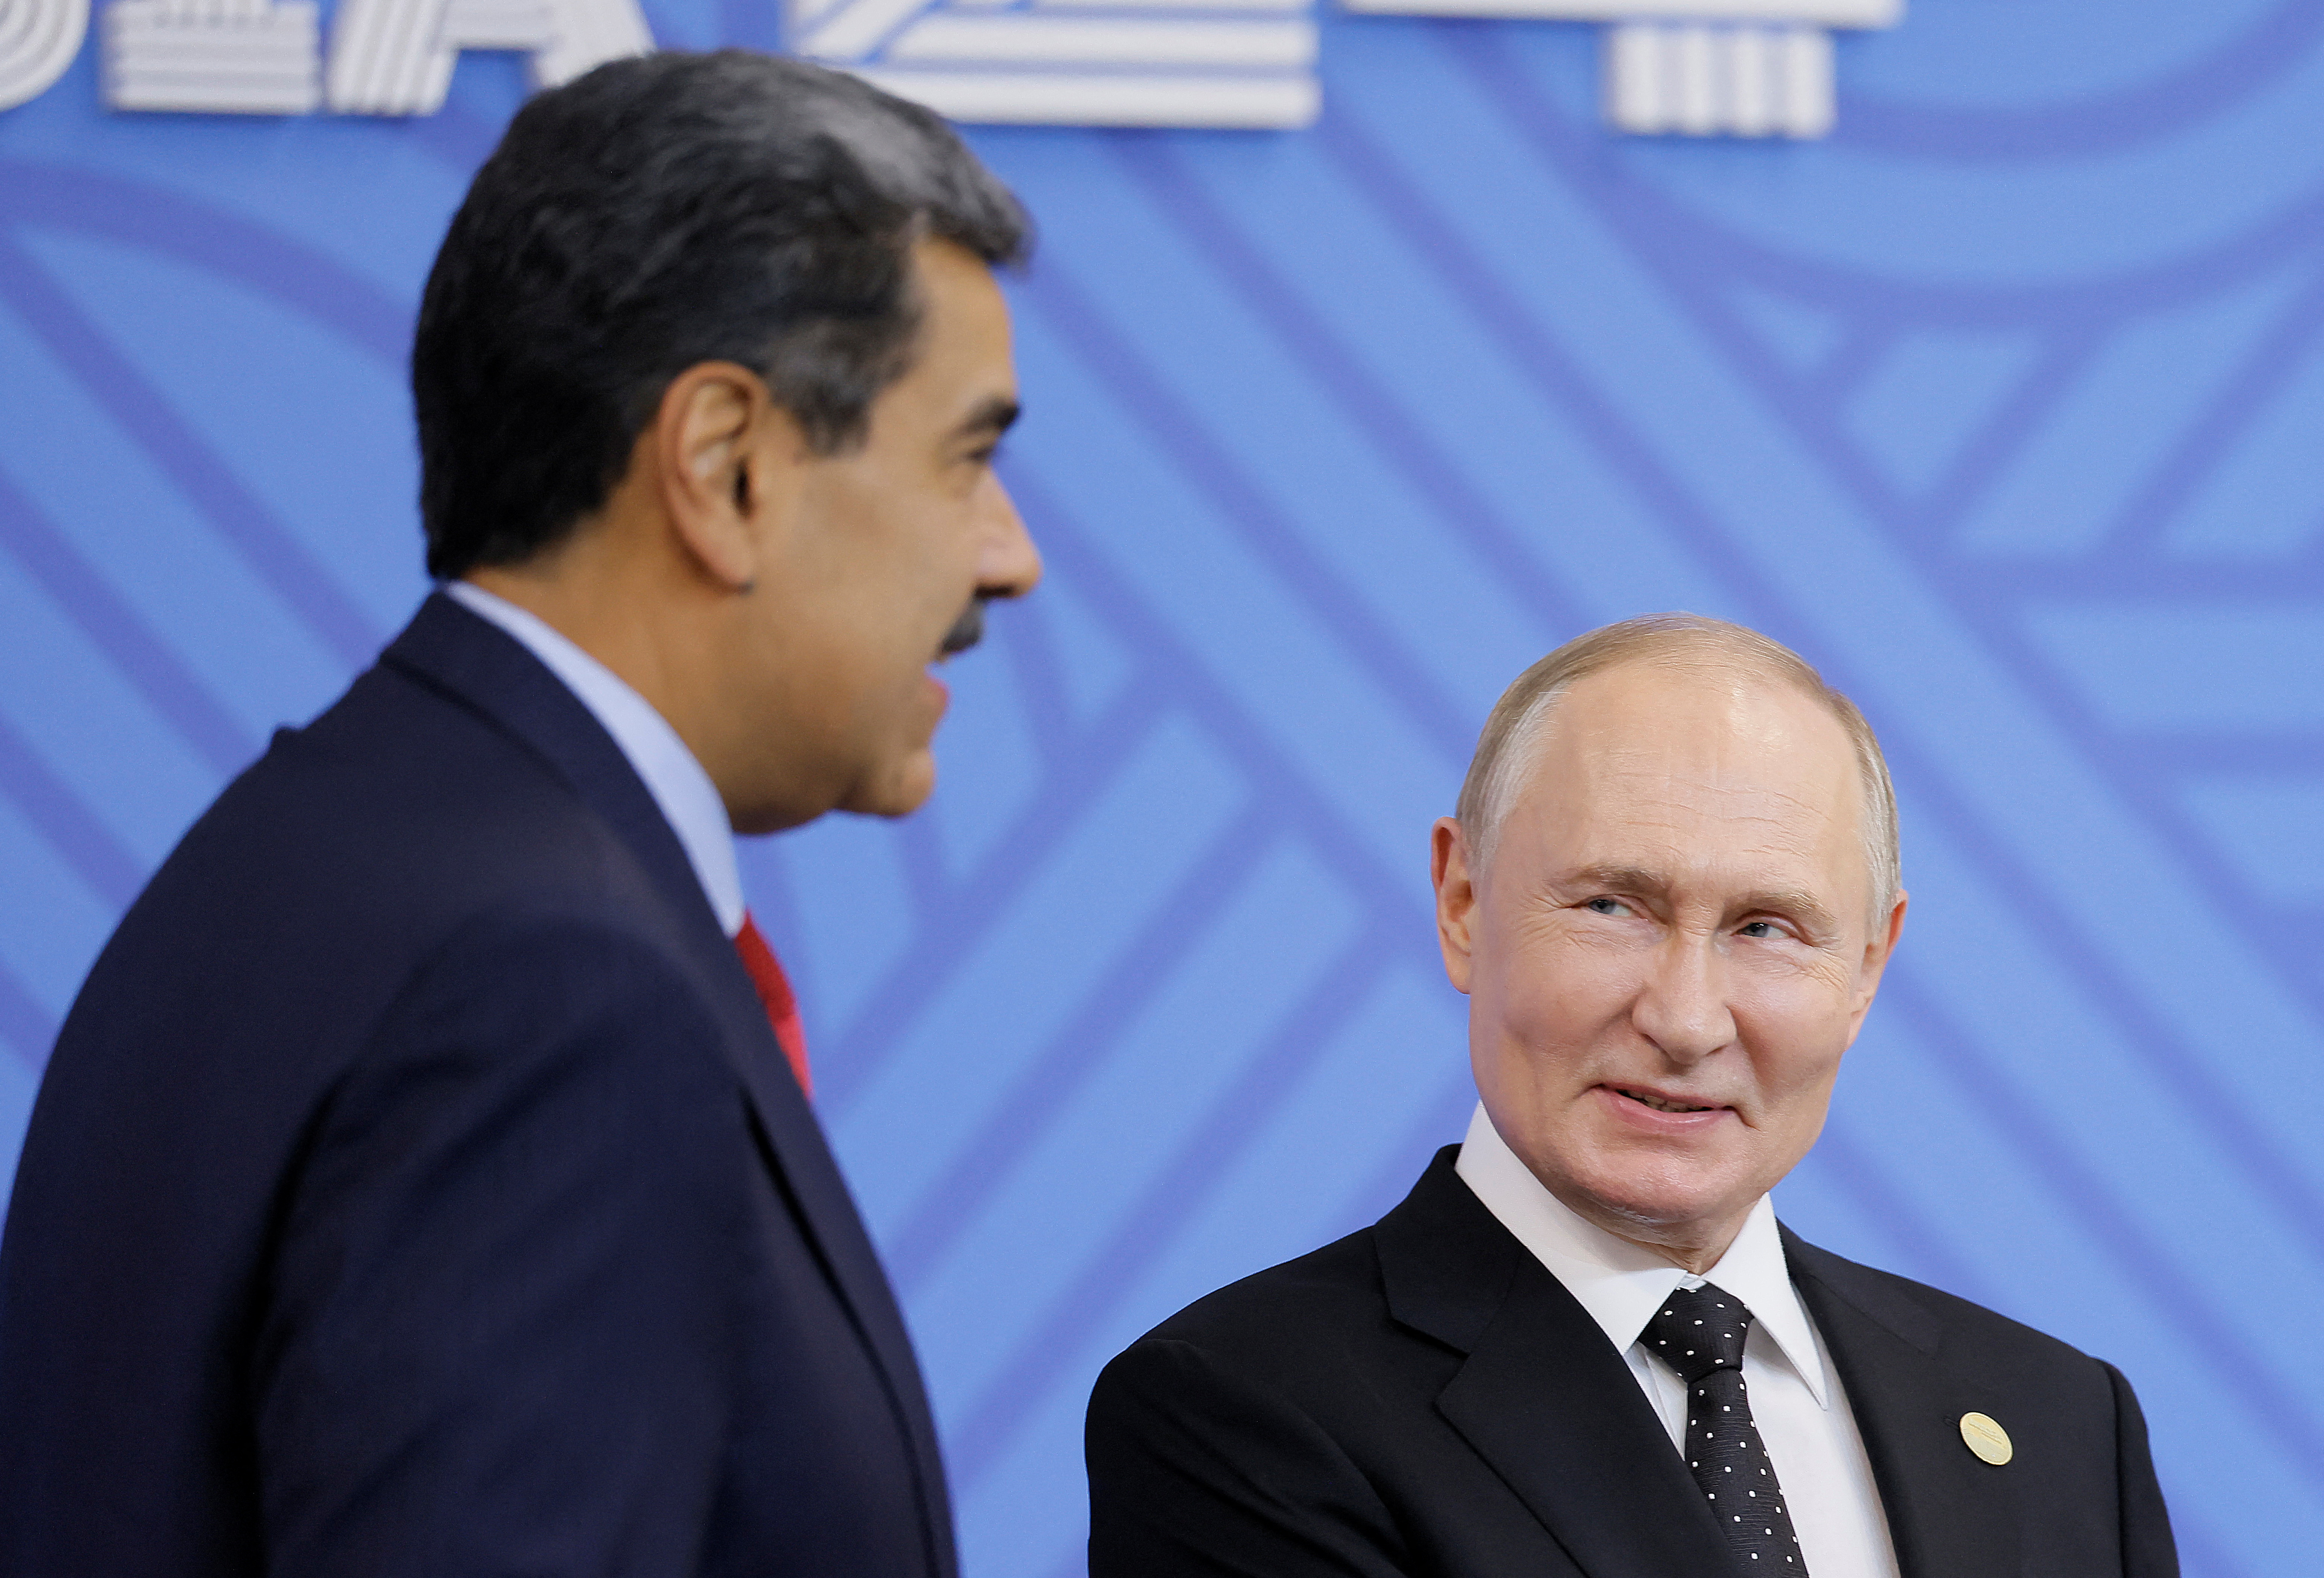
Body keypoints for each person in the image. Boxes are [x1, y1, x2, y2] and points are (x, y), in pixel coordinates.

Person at [0, 51, 1038, 1576]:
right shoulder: (549, 984)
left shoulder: (324, 852)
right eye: (969, 457)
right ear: (724, 464)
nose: (1008, 556)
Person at [1086, 615, 2176, 1578]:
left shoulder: (2064, 1421)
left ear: (1870, 968)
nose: (1687, 1019)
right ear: (1463, 903)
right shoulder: (1243, 1412)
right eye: (1612, 906)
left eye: (1767, 929)